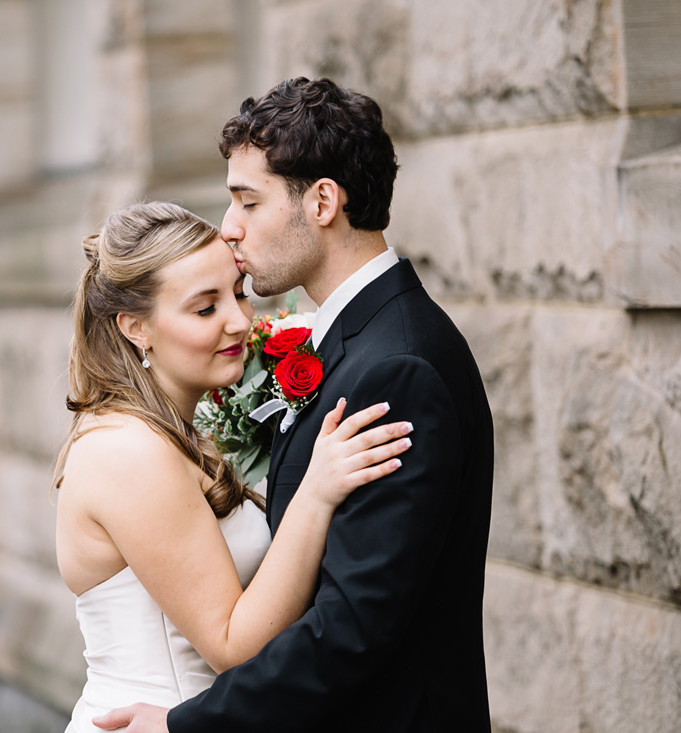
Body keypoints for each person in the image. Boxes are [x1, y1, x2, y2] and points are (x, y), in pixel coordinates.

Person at [94, 78, 494, 732]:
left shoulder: (397, 368)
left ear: (323, 202)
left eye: (248, 201)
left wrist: (184, 726)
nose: (229, 228)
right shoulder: (356, 342)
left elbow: (351, 625)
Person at [53, 200, 414, 733]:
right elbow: (232, 647)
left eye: (238, 293)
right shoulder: (129, 452)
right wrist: (316, 492)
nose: (240, 320)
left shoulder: (171, 431)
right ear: (135, 327)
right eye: (205, 308)